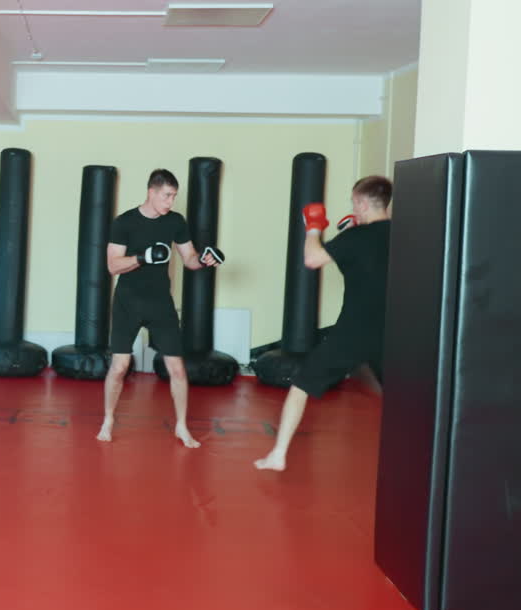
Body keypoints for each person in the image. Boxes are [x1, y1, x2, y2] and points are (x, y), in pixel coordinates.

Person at [255, 175, 393, 471]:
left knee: (301, 385)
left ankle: (278, 455)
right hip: (394, 331)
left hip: (352, 330)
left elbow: (313, 259)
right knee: (409, 401)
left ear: (362, 202)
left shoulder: (355, 238)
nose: (353, 208)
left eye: (354, 202)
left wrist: (313, 228)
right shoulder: (405, 235)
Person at [97, 169, 223, 446]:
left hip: (160, 303)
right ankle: (108, 419)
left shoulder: (175, 221)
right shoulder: (124, 222)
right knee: (120, 366)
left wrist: (204, 259)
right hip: (127, 302)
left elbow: (188, 257)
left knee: (177, 369)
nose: (171, 202)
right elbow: (112, 265)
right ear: (151, 192)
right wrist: (143, 257)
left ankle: (181, 426)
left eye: (174, 196)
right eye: (167, 195)